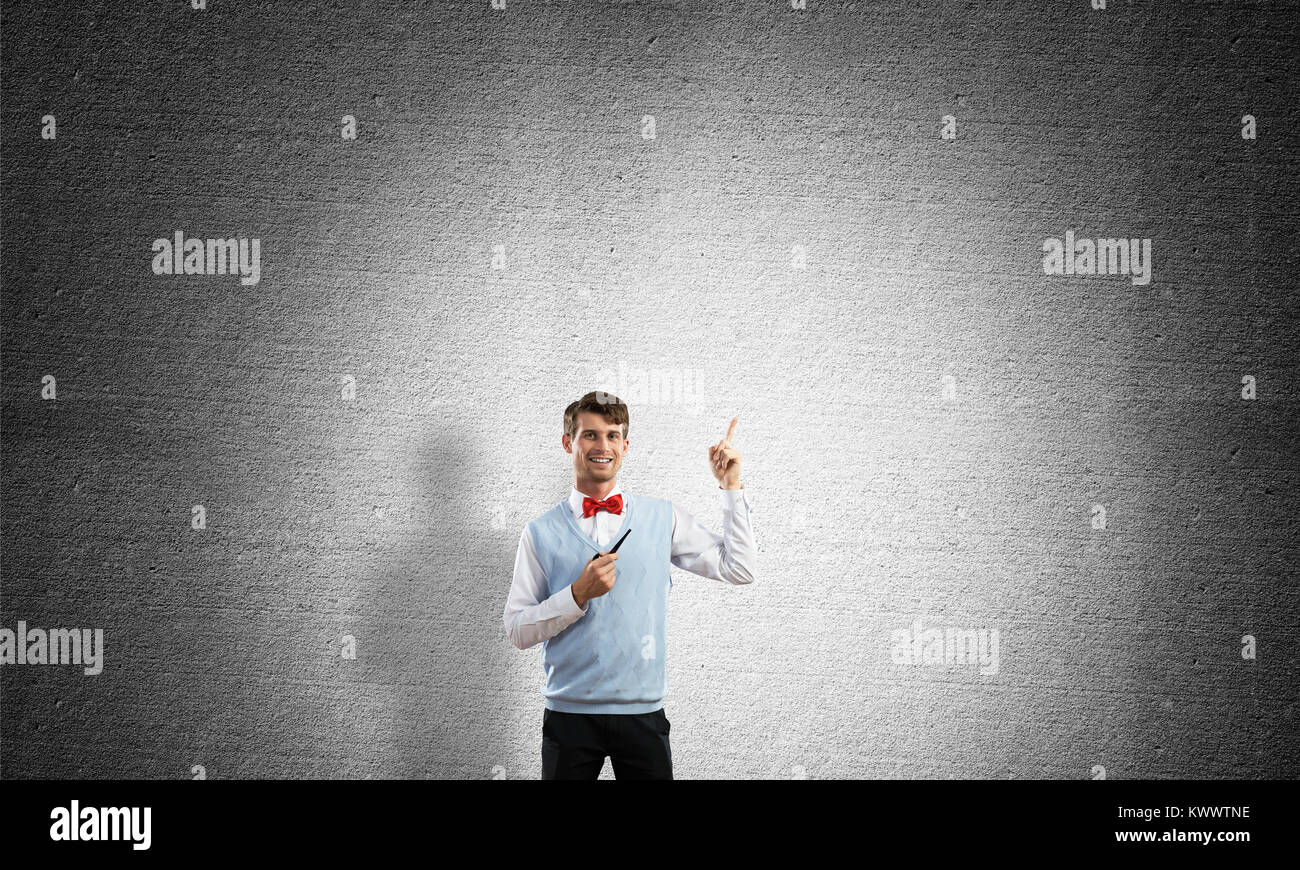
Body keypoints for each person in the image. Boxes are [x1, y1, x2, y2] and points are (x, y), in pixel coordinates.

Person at [503, 391, 758, 779]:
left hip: (643, 716)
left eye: (612, 434)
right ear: (568, 442)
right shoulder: (538, 532)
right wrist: (576, 596)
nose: (602, 445)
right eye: (589, 435)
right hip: (568, 717)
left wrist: (731, 487)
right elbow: (518, 631)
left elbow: (739, 568)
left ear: (625, 445)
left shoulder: (663, 517)